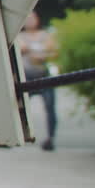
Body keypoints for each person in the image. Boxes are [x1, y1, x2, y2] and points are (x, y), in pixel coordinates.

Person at [17, 10, 58, 151]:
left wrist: (34, 50)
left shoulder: (45, 34)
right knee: (17, 106)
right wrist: (41, 50)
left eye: (32, 18)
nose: (30, 21)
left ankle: (50, 138)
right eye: (27, 18)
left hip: (44, 75)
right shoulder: (20, 35)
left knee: (50, 107)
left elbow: (53, 51)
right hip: (27, 76)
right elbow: (22, 48)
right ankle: (18, 135)